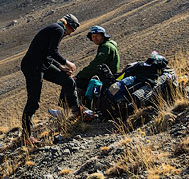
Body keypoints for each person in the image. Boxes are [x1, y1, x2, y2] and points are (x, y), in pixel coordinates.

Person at [20, 14, 94, 145]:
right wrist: (67, 63)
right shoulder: (59, 30)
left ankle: (76, 111)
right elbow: (53, 51)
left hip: (42, 64)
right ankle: (26, 136)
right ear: (68, 25)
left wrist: (61, 67)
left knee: (68, 80)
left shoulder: (55, 28)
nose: (70, 34)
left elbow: (47, 53)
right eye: (72, 30)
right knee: (33, 102)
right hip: (33, 67)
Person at [74, 26, 120, 97]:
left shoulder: (105, 47)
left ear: (103, 36)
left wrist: (79, 75)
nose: (95, 38)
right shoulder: (108, 45)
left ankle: (76, 106)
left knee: (76, 83)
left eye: (97, 36)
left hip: (106, 76)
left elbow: (96, 65)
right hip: (109, 75)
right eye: (93, 36)